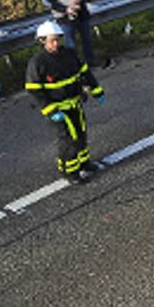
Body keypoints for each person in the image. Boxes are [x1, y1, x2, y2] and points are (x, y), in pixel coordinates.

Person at [25, 20, 104, 184]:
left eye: (58, 39)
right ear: (42, 41)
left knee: (81, 133)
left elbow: (85, 73)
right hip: (57, 109)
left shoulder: (70, 54)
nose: (56, 43)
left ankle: (84, 163)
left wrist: (96, 90)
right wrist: (50, 110)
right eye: (52, 40)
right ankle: (70, 171)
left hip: (75, 103)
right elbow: (34, 91)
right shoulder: (37, 63)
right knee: (68, 139)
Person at [41, 0, 110, 69]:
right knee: (70, 43)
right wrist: (65, 9)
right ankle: (74, 66)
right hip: (65, 17)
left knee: (87, 38)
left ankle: (90, 61)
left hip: (81, 13)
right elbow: (49, 2)